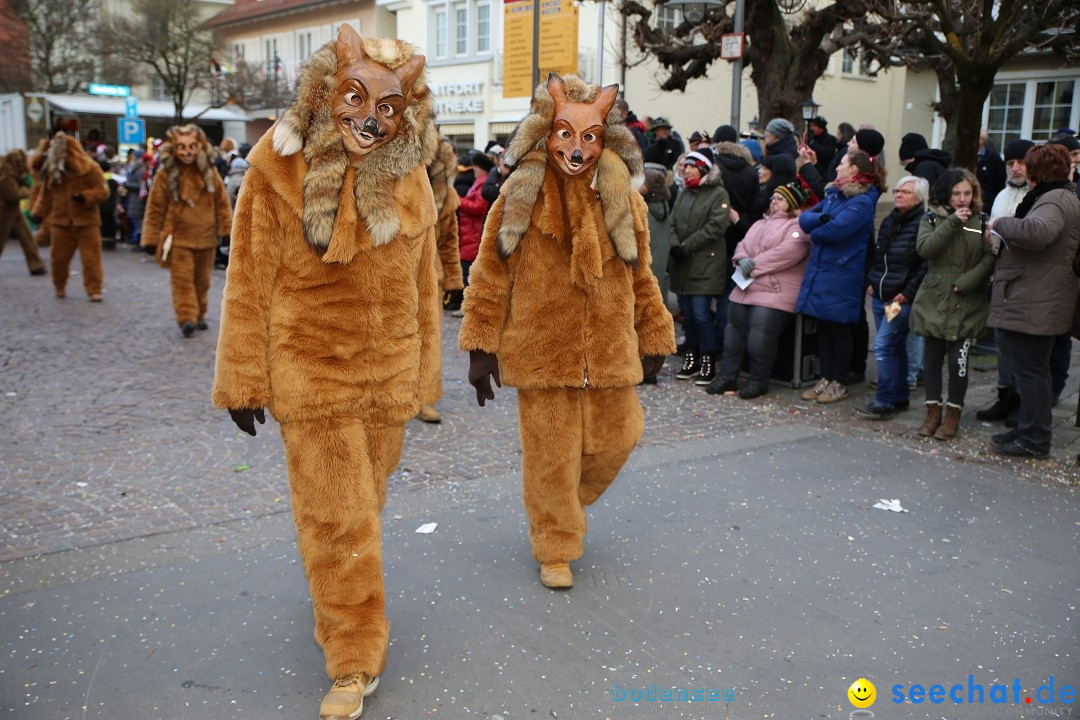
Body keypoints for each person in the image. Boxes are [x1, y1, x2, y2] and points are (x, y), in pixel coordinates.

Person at [213, 28, 440, 719]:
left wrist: (424, 377)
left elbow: (425, 284)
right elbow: (247, 279)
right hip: (309, 371)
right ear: (327, 90)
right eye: (355, 97)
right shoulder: (274, 169)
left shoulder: (410, 177)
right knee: (339, 519)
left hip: (389, 373)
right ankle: (353, 656)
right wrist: (242, 377)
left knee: (360, 508)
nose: (371, 118)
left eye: (388, 107)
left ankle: (338, 597)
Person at [459, 73, 675, 589]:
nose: (576, 150)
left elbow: (642, 273)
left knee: (622, 435)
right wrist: (481, 347)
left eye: (589, 137)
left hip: (608, 346)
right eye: (564, 135)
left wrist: (654, 332)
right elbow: (490, 273)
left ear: (606, 137)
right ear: (545, 133)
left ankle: (559, 503)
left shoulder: (628, 200)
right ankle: (554, 541)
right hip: (540, 349)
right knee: (550, 456)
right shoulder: (520, 195)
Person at [987, 143, 1080, 458]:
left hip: (1035, 299)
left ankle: (1034, 439)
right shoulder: (1058, 196)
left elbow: (1038, 232)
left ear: (1036, 170)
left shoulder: (1054, 199)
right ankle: (1028, 430)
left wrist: (999, 224)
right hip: (1035, 297)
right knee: (1031, 371)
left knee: (1031, 372)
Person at [910, 169, 996, 441]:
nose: (962, 199)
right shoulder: (932, 218)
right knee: (932, 360)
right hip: (935, 298)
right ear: (947, 193)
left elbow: (989, 257)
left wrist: (968, 282)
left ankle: (953, 416)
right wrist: (951, 223)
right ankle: (932, 413)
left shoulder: (981, 221)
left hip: (967, 300)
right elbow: (925, 250)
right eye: (956, 193)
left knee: (959, 362)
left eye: (967, 193)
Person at [706, 180, 812, 398]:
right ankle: (728, 377)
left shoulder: (798, 226)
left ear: (791, 203)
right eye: (773, 198)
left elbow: (787, 253)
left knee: (759, 336)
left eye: (780, 199)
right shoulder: (758, 224)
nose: (774, 201)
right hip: (747, 288)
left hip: (776, 290)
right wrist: (742, 259)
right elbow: (742, 245)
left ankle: (758, 381)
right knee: (732, 332)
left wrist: (753, 265)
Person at [796, 149, 885, 404]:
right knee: (824, 326)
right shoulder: (835, 194)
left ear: (854, 170)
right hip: (824, 269)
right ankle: (826, 376)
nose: (836, 168)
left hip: (843, 271)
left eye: (841, 164)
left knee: (839, 326)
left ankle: (840, 381)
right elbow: (805, 219)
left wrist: (818, 226)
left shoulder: (862, 201)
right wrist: (821, 219)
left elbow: (833, 232)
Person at [141, 125, 232, 337]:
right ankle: (186, 318)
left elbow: (222, 203)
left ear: (200, 147)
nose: (187, 151)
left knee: (202, 282)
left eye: (192, 146)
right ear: (174, 148)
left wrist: (227, 229)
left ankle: (199, 314)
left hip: (206, 238)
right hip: (178, 237)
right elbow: (155, 207)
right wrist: (150, 238)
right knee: (182, 282)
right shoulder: (165, 175)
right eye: (182, 147)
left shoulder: (210, 172)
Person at [855, 176, 930, 419]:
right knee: (894, 347)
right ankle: (899, 397)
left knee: (884, 346)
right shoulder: (890, 220)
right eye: (897, 191)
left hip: (900, 299)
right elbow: (879, 254)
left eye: (905, 192)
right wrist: (872, 281)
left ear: (919, 197)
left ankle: (884, 400)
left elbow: (925, 264)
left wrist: (907, 293)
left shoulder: (924, 223)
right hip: (880, 294)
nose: (898, 195)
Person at [975, 139, 1035, 423]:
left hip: (1026, 279)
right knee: (1002, 340)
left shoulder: (1038, 196)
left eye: (1020, 162)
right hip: (999, 274)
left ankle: (1023, 402)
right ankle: (1005, 395)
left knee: (1023, 345)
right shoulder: (1001, 195)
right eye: (1011, 163)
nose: (1015, 168)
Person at [669, 149, 731, 386]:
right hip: (683, 264)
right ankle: (692, 356)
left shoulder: (718, 194)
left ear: (703, 169)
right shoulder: (685, 193)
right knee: (689, 316)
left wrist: (686, 246)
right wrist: (676, 246)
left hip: (706, 263)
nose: (686, 170)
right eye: (685, 167)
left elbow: (716, 227)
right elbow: (673, 222)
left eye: (691, 167)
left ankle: (708, 358)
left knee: (702, 313)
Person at [30, 132, 109, 300]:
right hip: (60, 221)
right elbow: (46, 195)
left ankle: (94, 289)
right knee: (59, 258)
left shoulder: (90, 169)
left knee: (91, 259)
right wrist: (38, 213)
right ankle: (59, 285)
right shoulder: (54, 171)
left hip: (87, 222)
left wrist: (85, 197)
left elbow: (103, 190)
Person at [418, 137, 464, 423]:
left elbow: (449, 239)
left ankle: (424, 398)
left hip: (429, 277)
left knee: (428, 340)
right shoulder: (389, 183)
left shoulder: (444, 195)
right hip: (390, 275)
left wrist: (454, 280)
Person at [640, 162, 673, 383]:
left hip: (644, 274)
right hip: (659, 276)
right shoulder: (665, 209)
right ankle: (652, 369)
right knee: (654, 323)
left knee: (640, 323)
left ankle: (644, 369)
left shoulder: (643, 211)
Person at [452, 150, 493, 318]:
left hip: (473, 233)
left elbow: (478, 208)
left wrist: (459, 201)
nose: (474, 169)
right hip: (469, 232)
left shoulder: (483, 183)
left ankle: (468, 307)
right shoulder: (479, 182)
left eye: (477, 167)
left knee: (469, 272)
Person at [0, 149, 48, 276]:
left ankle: (36, 265)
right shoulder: (6, 175)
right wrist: (25, 189)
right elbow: (12, 194)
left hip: (13, 211)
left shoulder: (11, 172)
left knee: (28, 239)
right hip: (4, 211)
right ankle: (36, 264)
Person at [976, 130, 1006, 210]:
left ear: (983, 141)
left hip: (987, 203)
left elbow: (1001, 181)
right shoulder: (965, 156)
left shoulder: (994, 158)